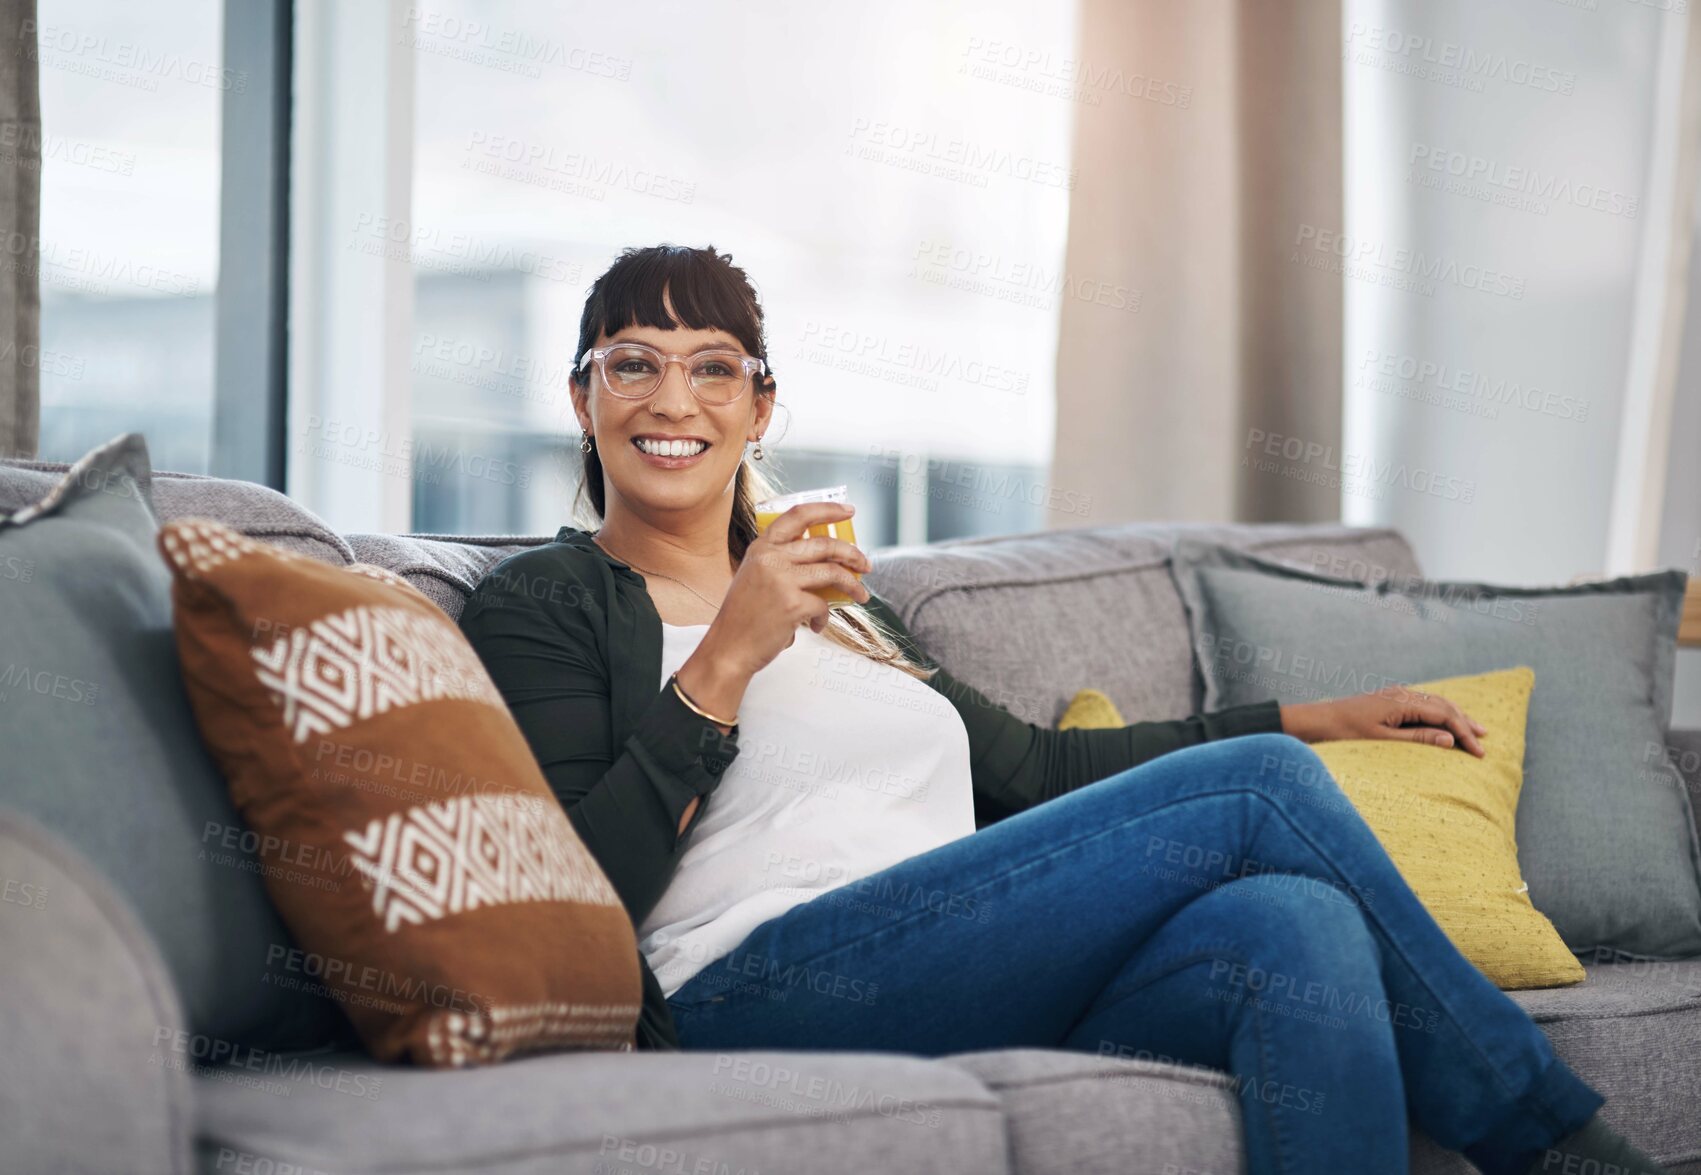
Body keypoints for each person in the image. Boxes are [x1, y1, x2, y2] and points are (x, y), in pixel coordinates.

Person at [457, 244, 1665, 1175]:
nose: (674, 397)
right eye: (634, 362)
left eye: (712, 365)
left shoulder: (848, 606)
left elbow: (1037, 767)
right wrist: (724, 657)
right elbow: (578, 893)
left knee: (1291, 922)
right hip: (742, 987)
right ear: (583, 397)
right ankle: (1563, 1146)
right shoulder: (547, 602)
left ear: (760, 407)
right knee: (1262, 795)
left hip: (953, 962)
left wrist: (1311, 714)